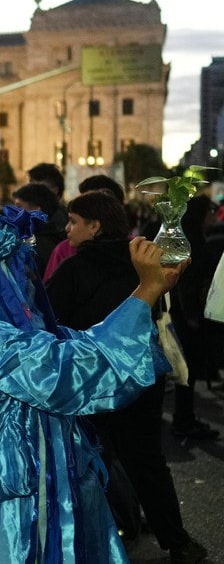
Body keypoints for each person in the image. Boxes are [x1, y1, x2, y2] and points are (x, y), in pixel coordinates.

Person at [0, 200, 187, 560]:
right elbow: (71, 371)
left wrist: (151, 290)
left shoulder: (12, 328)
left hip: (42, 486)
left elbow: (82, 343)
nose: (26, 277)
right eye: (15, 267)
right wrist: (144, 291)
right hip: (21, 501)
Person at [46, 190, 208, 562]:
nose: (67, 229)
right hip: (141, 375)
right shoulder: (143, 264)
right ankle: (177, 542)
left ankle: (105, 539)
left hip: (95, 381)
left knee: (90, 459)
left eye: (74, 222)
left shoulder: (74, 269)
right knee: (147, 461)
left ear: (95, 226)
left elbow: (53, 323)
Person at [168, 194, 223, 440]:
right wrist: (191, 316)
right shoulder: (191, 243)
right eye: (209, 212)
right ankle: (184, 420)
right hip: (188, 317)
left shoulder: (193, 238)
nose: (213, 216)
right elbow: (187, 283)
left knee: (187, 371)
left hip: (187, 314)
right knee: (187, 370)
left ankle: (185, 418)